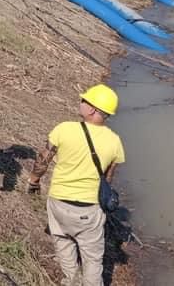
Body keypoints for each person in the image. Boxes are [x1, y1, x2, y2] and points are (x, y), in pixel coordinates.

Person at [27, 84, 125, 286]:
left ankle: (70, 280)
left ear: (92, 109)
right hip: (89, 209)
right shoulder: (115, 142)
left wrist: (34, 181)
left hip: (58, 202)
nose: (80, 102)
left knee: (63, 244)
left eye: (84, 100)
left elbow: (42, 161)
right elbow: (107, 181)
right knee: (93, 260)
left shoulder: (64, 129)